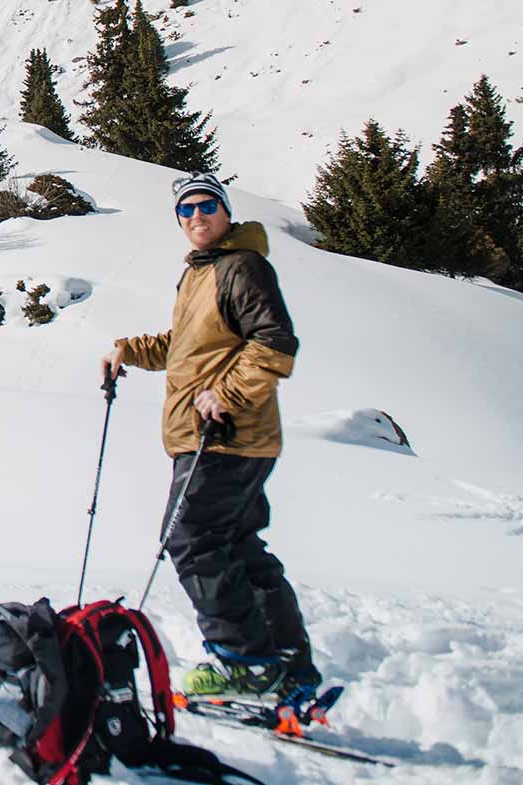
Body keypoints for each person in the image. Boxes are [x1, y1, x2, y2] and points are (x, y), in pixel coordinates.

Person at [100, 172, 319, 699]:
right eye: (186, 209)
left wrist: (230, 395)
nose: (196, 216)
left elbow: (275, 343)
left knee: (191, 538)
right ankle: (285, 663)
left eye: (206, 206)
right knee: (238, 546)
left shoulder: (241, 267)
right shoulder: (204, 272)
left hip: (224, 434)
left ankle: (245, 663)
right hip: (223, 436)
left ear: (225, 212)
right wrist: (128, 349)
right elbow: (188, 346)